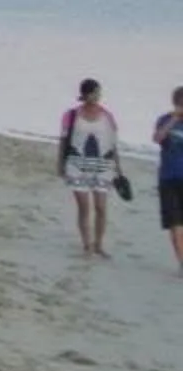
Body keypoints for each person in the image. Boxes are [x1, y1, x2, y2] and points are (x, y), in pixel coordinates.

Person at [62, 77, 121, 258]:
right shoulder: (71, 115)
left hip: (102, 166)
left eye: (99, 93)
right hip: (77, 164)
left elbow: (113, 143)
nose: (97, 96)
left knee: (101, 207)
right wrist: (60, 163)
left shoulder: (107, 115)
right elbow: (64, 140)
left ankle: (99, 244)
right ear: (85, 94)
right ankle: (87, 244)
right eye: (94, 93)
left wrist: (118, 167)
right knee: (84, 207)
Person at [154, 87, 183, 273]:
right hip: (168, 178)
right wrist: (174, 118)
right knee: (175, 224)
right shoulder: (164, 120)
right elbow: (157, 138)